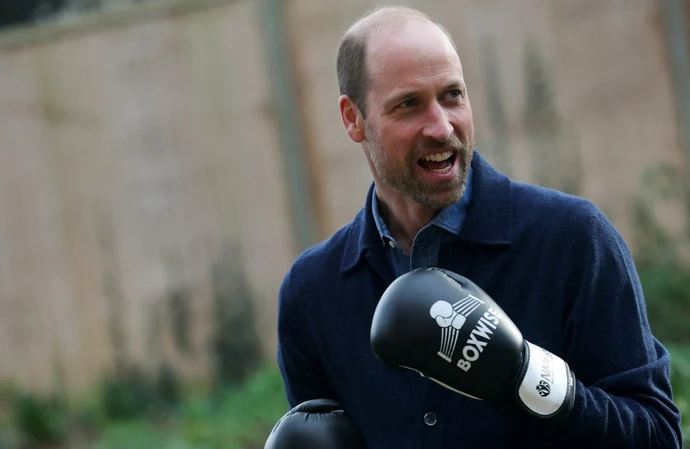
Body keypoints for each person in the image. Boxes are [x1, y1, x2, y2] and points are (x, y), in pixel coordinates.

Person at [275, 5, 682, 448]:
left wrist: (527, 377)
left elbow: (657, 436)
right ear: (353, 119)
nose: (441, 125)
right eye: (409, 104)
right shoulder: (311, 293)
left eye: (452, 95)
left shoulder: (571, 239)